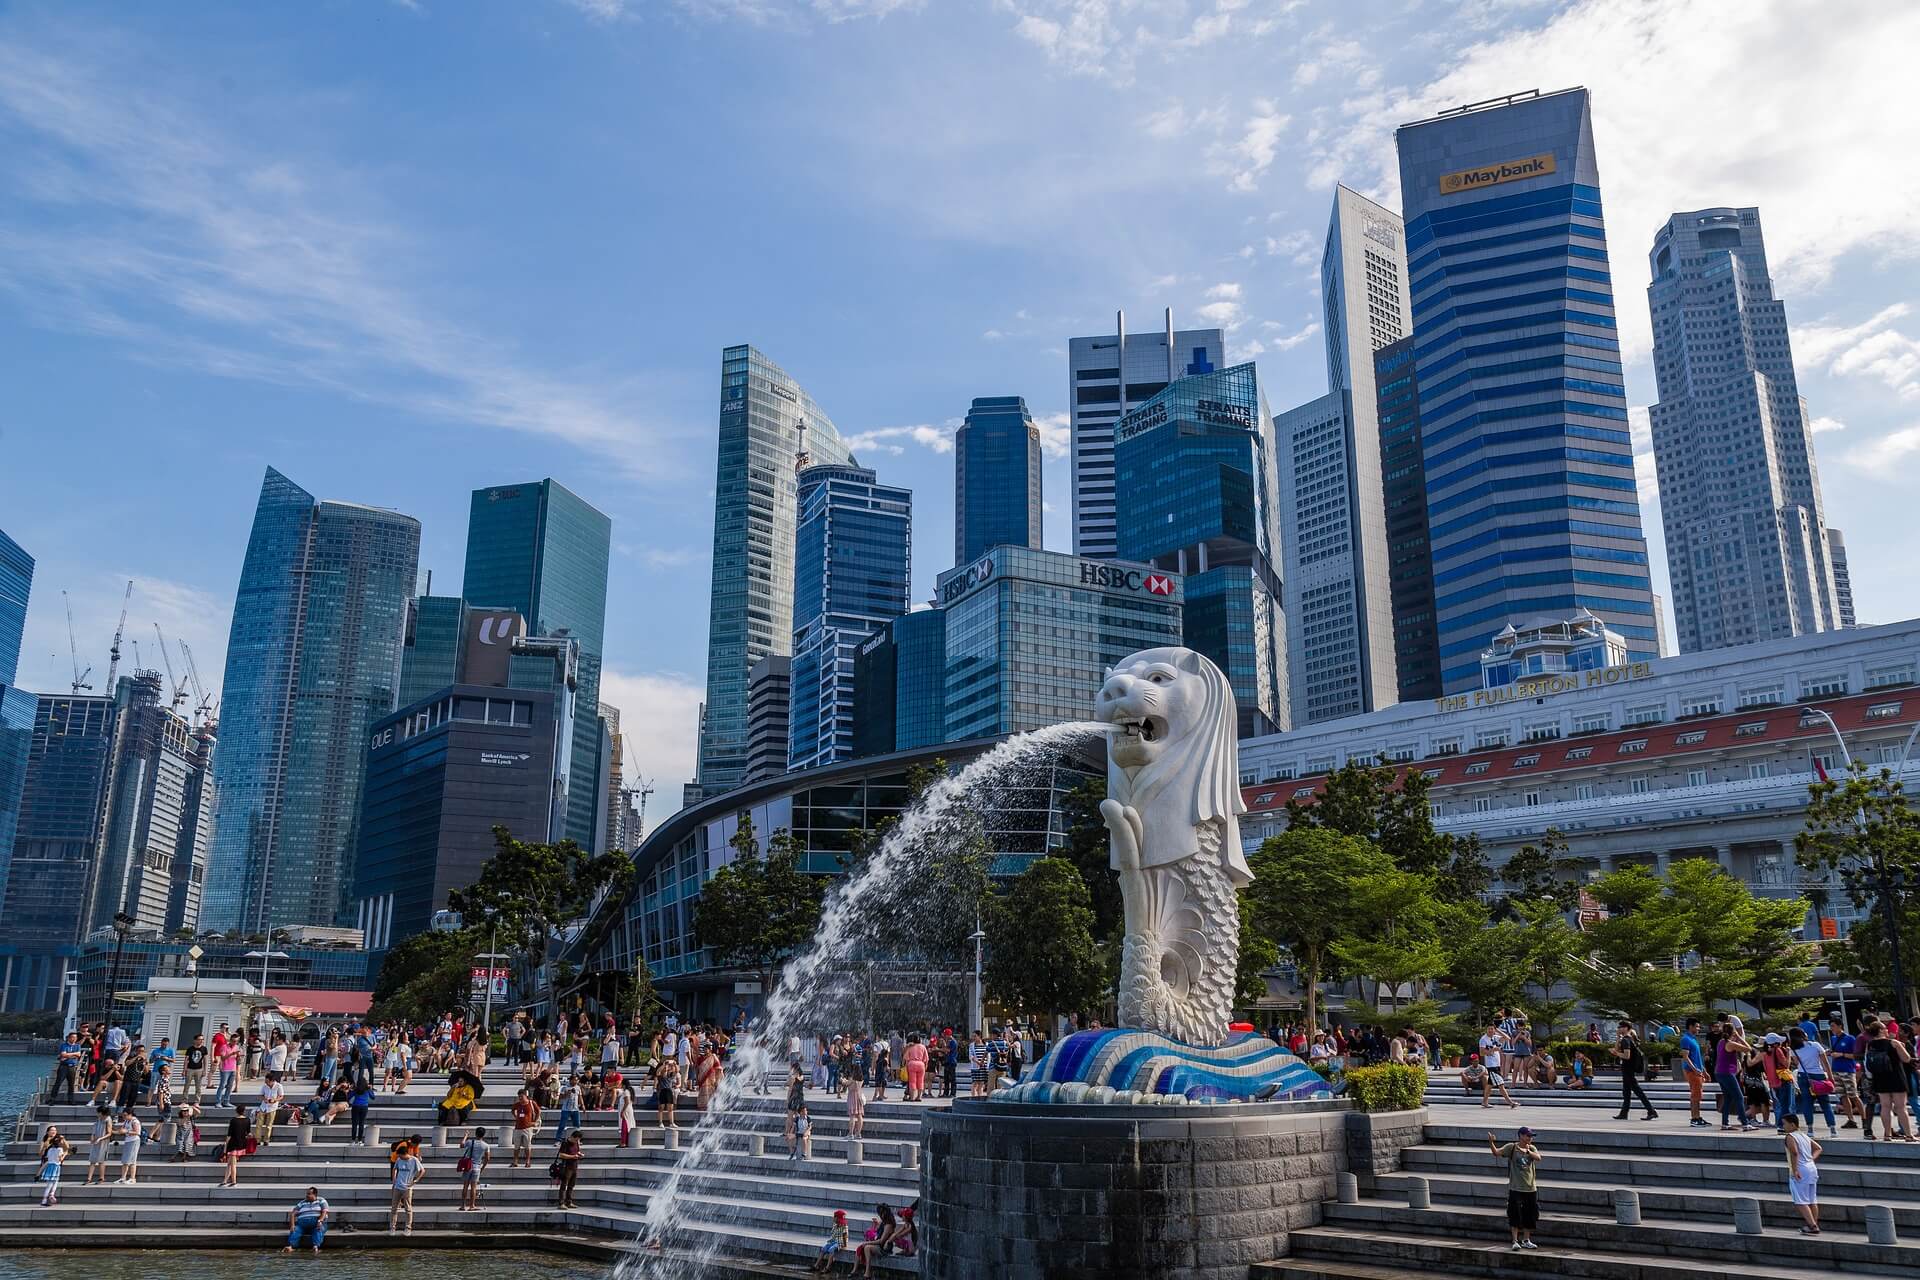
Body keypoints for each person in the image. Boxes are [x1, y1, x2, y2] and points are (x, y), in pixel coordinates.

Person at [1862, 1019, 1916, 1141]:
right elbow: (1906, 1059)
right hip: (1896, 1077)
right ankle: (1908, 1135)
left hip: (1880, 1078)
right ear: (1881, 1030)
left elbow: (1867, 1061)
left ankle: (1887, 1134)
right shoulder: (1893, 1043)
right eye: (1885, 1028)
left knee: (1885, 1107)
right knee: (1901, 1107)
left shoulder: (1870, 1045)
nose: (1887, 1030)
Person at [1488, 1127, 1541, 1250]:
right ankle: (1515, 1241)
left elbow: (1538, 1158)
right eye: (1528, 1136)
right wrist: (1491, 1143)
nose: (1530, 1138)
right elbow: (1496, 1153)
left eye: (1531, 1136)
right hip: (1516, 1188)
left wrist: (1528, 1152)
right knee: (1514, 1214)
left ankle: (1526, 1240)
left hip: (1530, 1188)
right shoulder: (1511, 1147)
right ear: (1521, 1136)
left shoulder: (1531, 1148)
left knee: (1530, 1215)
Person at [1788, 1026, 1838, 1138]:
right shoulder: (1815, 1045)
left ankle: (1810, 1129)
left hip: (1803, 1076)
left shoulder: (1793, 1049)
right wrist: (1830, 1077)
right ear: (1803, 1034)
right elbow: (1825, 1062)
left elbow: (1797, 1063)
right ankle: (1832, 1129)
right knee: (1825, 1103)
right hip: (1818, 1075)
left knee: (1807, 1103)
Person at [1782, 1114, 1821, 1234]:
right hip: (1811, 1168)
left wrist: (1795, 1170)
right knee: (1812, 1199)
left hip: (1801, 1169)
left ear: (1792, 1124)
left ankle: (1812, 1226)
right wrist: (1811, 1159)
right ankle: (1813, 1224)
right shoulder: (1803, 1135)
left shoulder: (1790, 1136)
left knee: (1800, 1200)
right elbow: (1818, 1148)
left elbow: (1794, 1153)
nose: (1783, 1126)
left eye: (1784, 1123)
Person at [1611, 1022, 1657, 1121]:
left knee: (1637, 1091)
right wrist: (1618, 1039)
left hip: (1628, 1069)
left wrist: (1616, 1053)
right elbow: (1617, 1050)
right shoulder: (1625, 1039)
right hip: (1627, 1069)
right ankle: (1624, 1113)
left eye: (1620, 1027)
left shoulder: (1626, 1040)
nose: (1618, 1029)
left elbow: (1627, 1056)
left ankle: (1651, 1111)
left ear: (1626, 1028)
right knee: (1626, 1092)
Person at [1827, 1014, 1863, 1131]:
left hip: (1848, 1070)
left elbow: (1856, 1055)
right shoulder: (1833, 1039)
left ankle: (1864, 1118)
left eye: (1833, 1026)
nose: (1832, 1028)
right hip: (1836, 1069)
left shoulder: (1850, 1038)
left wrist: (1841, 1055)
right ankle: (1850, 1119)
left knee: (1853, 1095)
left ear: (1839, 1026)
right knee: (1842, 1096)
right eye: (1831, 1026)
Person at [856, 1203, 903, 1276]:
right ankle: (855, 1270)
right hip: (879, 1245)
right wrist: (876, 1224)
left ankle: (867, 1272)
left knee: (867, 1247)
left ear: (884, 1213)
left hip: (884, 1248)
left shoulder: (888, 1225)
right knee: (861, 1247)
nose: (879, 1216)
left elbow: (881, 1241)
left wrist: (867, 1243)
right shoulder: (884, 1221)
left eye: (880, 1214)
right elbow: (878, 1232)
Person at [389, 1138, 424, 1234]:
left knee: (408, 1209)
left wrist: (415, 1180)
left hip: (407, 1188)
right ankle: (392, 1228)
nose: (399, 1157)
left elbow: (422, 1171)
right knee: (394, 1208)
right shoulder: (399, 1160)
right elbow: (395, 1168)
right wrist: (394, 1179)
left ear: (404, 1154)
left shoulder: (414, 1160)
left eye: (400, 1155)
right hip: (397, 1187)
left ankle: (408, 1228)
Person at [1679, 1018, 1710, 1128]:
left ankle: (1697, 1117)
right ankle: (1694, 1119)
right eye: (1696, 1026)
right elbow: (1685, 1057)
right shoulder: (1686, 1039)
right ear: (1690, 1026)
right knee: (1695, 1095)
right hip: (1692, 1071)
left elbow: (1697, 1058)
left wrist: (1704, 1071)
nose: (1698, 1029)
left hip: (1697, 1070)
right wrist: (1694, 1069)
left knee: (1698, 1094)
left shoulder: (1693, 1039)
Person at [285, 1186, 330, 1253]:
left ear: (314, 1194)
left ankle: (315, 1246)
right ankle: (291, 1246)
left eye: (309, 1194)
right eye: (307, 1194)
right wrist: (292, 1225)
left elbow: (324, 1212)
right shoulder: (302, 1202)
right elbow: (293, 1213)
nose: (307, 1195)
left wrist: (320, 1221)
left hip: (316, 1223)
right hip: (302, 1224)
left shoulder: (321, 1201)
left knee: (318, 1229)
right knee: (295, 1230)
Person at [459, 1126, 492, 1211]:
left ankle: (463, 1205)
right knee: (473, 1187)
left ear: (476, 1133)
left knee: (465, 1185)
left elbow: (461, 1145)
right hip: (477, 1167)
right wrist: (482, 1168)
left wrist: (466, 1135)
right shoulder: (486, 1145)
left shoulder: (470, 1142)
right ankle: (472, 1206)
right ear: (483, 1135)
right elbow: (487, 1158)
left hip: (468, 1166)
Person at [37, 1127, 71, 1207]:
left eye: (55, 1130)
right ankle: (48, 1196)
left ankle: (50, 1195)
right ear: (47, 1132)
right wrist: (47, 1143)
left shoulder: (58, 1140)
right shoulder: (45, 1140)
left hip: (53, 1162)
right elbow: (40, 1153)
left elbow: (67, 1147)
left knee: (53, 1181)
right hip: (49, 1161)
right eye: (51, 1130)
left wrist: (63, 1140)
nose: (53, 1132)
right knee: (51, 1182)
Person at [811, 1208, 849, 1274]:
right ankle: (816, 1265)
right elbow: (832, 1236)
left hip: (840, 1242)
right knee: (823, 1249)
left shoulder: (844, 1226)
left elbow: (845, 1236)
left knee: (831, 1249)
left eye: (836, 1218)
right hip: (833, 1241)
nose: (834, 1219)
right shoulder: (835, 1225)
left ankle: (827, 1267)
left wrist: (844, 1246)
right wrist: (829, 1243)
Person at [512, 1087, 542, 1166]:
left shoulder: (531, 1103)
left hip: (527, 1127)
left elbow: (538, 1111)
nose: (520, 1098)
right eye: (519, 1097)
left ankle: (527, 1161)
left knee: (527, 1146)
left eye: (522, 1096)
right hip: (518, 1127)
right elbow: (512, 1110)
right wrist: (516, 1117)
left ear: (526, 1096)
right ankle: (515, 1161)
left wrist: (534, 1121)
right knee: (516, 1146)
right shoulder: (517, 1104)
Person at [221, 1106, 251, 1188]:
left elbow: (229, 1135)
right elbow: (248, 1133)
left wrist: (225, 1147)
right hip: (241, 1143)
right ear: (244, 1111)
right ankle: (225, 1181)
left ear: (236, 1111)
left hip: (233, 1144)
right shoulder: (247, 1120)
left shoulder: (233, 1120)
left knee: (233, 1164)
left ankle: (234, 1181)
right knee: (229, 1163)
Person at [115, 1109, 146, 1184]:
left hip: (134, 1141)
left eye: (125, 1115)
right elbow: (122, 1130)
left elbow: (137, 1132)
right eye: (123, 1115)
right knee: (125, 1160)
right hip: (128, 1140)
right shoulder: (126, 1121)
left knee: (132, 1160)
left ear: (130, 1114)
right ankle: (123, 1178)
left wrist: (127, 1131)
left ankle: (132, 1178)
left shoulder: (135, 1121)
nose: (124, 1117)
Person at [85, 1105, 114, 1185]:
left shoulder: (108, 1119)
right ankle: (89, 1178)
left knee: (101, 1160)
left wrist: (100, 1139)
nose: (97, 1114)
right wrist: (92, 1137)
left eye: (98, 1112)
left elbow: (109, 1133)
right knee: (92, 1160)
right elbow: (94, 1129)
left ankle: (102, 1178)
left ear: (102, 1113)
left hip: (103, 1142)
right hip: (96, 1141)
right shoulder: (99, 1119)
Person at [553, 1131, 583, 1209]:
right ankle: (561, 1203)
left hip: (574, 1166)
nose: (577, 1141)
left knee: (571, 1185)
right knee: (564, 1185)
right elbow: (561, 1155)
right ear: (572, 1137)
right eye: (576, 1140)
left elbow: (577, 1151)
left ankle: (569, 1202)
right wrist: (572, 1157)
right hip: (567, 1167)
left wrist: (580, 1154)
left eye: (578, 1140)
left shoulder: (576, 1143)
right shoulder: (565, 1143)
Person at [254, 1073, 285, 1146]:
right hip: (263, 1106)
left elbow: (281, 1096)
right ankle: (257, 1140)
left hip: (272, 1107)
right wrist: (264, 1099)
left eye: (267, 1081)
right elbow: (261, 1095)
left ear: (272, 1081)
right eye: (266, 1081)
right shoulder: (265, 1086)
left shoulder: (278, 1086)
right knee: (258, 1124)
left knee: (269, 1125)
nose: (266, 1083)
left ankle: (266, 1140)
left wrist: (275, 1100)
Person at [54, 1033, 83, 1105]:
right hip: (63, 1066)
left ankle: (71, 1100)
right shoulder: (64, 1045)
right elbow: (63, 1054)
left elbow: (79, 1055)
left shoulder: (77, 1046)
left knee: (71, 1084)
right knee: (58, 1082)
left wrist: (67, 1055)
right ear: (69, 1038)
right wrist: (73, 1054)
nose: (74, 1039)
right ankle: (53, 1099)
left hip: (72, 1066)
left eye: (75, 1038)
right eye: (72, 1037)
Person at [182, 1033, 208, 1103]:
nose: (201, 1041)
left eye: (202, 1039)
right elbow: (186, 1060)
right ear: (195, 1040)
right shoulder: (190, 1049)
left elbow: (205, 1060)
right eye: (199, 1039)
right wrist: (184, 1070)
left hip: (199, 1069)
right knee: (187, 1085)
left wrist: (205, 1070)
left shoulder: (204, 1049)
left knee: (198, 1086)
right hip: (190, 1069)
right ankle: (184, 1100)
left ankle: (197, 1101)